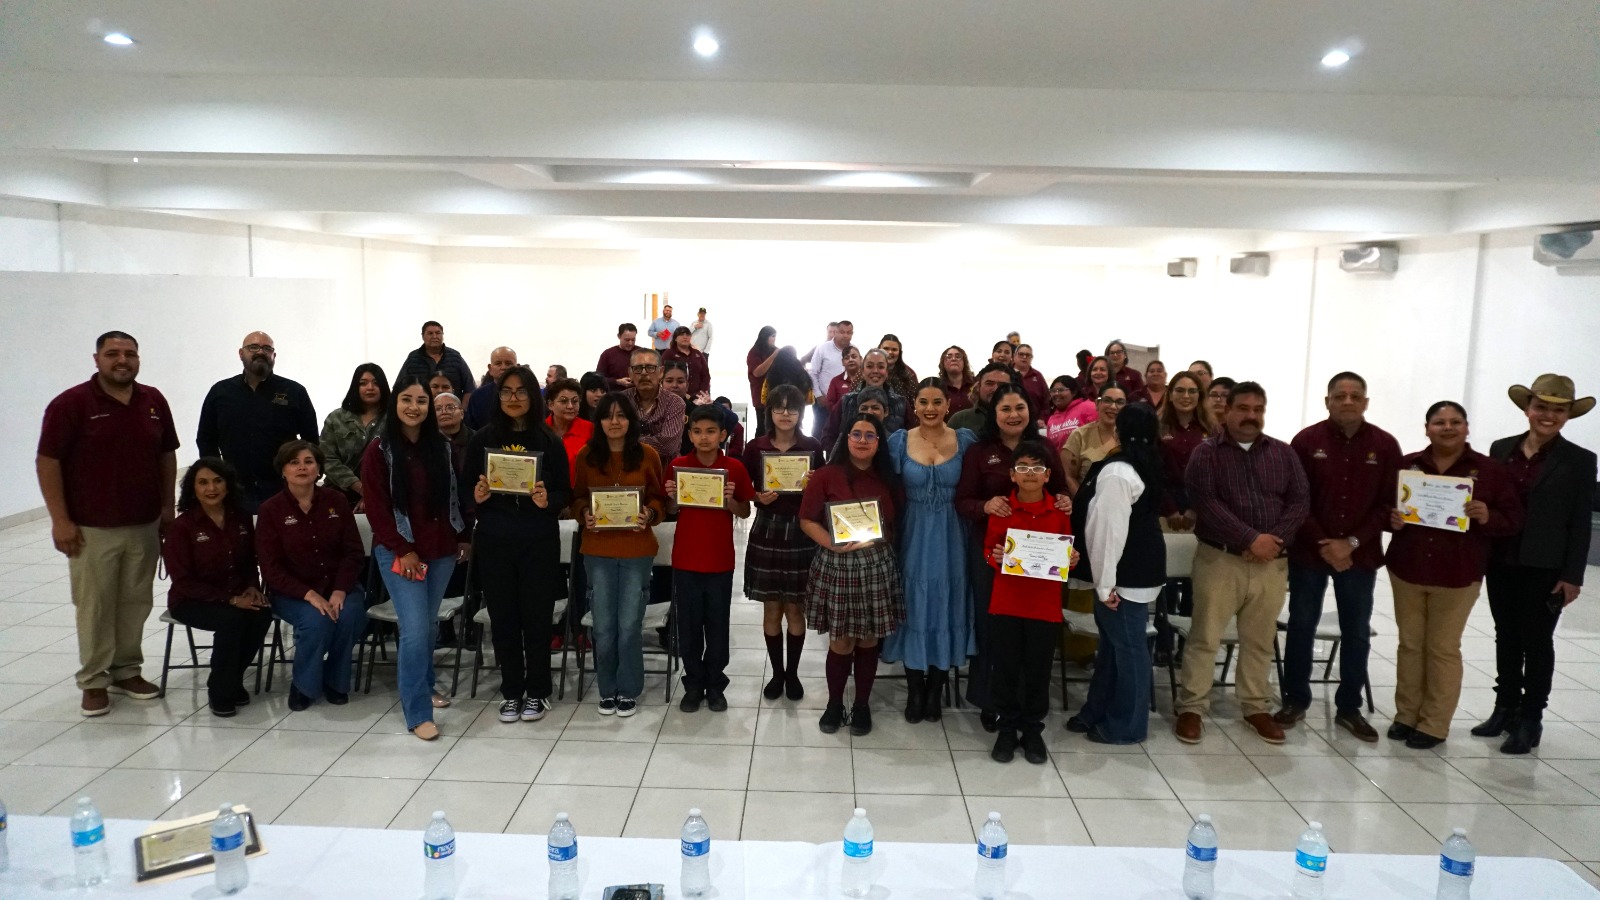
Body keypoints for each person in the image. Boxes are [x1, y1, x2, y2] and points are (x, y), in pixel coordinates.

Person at [37, 330, 178, 716]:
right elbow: (47, 462)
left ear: (138, 359)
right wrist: (60, 520)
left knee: (135, 602)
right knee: (95, 606)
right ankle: (94, 680)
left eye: (129, 354)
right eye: (113, 353)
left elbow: (167, 455)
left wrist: (167, 509)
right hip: (91, 529)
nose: (122, 360)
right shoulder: (71, 404)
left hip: (144, 524)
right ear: (96, 359)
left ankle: (126, 670)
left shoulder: (153, 401)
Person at [1174, 381, 1309, 746]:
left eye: (1258, 409)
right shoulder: (1206, 454)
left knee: (1260, 640)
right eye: (1244, 408)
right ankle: (1192, 707)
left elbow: (1299, 501)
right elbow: (1207, 503)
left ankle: (1255, 706)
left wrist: (1271, 541)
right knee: (1205, 637)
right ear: (1227, 410)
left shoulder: (1283, 453)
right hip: (1220, 560)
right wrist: (1251, 539)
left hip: (1271, 564)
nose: (1251, 416)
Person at [1272, 373, 1402, 742]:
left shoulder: (1385, 445)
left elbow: (1388, 504)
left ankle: (1349, 708)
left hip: (1359, 556)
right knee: (1301, 625)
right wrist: (1325, 544)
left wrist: (1351, 543)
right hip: (1310, 553)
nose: (1347, 401)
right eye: (1339, 396)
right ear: (1327, 401)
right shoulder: (1306, 441)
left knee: (1356, 630)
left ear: (1366, 402)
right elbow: (1297, 499)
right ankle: (1295, 700)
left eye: (1355, 396)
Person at [1386, 401, 1523, 749]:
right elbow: (1384, 507)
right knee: (1410, 645)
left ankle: (1434, 723)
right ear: (1426, 428)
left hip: (1458, 573)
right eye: (1439, 422)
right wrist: (1392, 519)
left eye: (1455, 422)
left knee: (1442, 648)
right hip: (1408, 568)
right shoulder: (1408, 466)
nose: (1447, 428)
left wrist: (1487, 515)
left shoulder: (1489, 471)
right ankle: (1406, 715)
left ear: (1466, 428)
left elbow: (1513, 520)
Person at [1478, 375, 1597, 753]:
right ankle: (1505, 708)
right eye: (1541, 407)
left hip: (1546, 566)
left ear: (1568, 415)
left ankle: (1531, 719)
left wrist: (1572, 575)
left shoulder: (1580, 461)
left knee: (1537, 641)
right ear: (1527, 409)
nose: (1548, 415)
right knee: (1505, 635)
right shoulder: (1501, 449)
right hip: (1501, 559)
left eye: (1558, 410)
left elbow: (1580, 522)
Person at [955, 384, 1070, 729]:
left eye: (1019, 407)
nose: (1013, 415)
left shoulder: (1044, 448)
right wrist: (985, 505)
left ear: (1029, 411)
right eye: (1005, 409)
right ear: (993, 414)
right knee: (993, 627)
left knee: (1032, 632)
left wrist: (1065, 500)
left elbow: (1060, 490)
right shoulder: (979, 451)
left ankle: (1026, 706)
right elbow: (963, 500)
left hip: (1039, 556)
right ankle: (990, 700)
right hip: (991, 550)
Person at [361, 377, 470, 741]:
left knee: (428, 623)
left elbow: (454, 496)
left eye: (421, 401)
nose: (414, 407)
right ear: (395, 404)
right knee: (415, 629)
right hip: (401, 552)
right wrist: (403, 549)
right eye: (406, 399)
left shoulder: (441, 445)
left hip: (440, 550)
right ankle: (418, 712)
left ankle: (425, 684)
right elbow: (377, 509)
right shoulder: (379, 450)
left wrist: (463, 535)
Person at [463, 366, 572, 727]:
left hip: (538, 540)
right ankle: (511, 690)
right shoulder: (482, 439)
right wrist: (478, 496)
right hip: (494, 540)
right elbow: (466, 489)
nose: (513, 398)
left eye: (521, 391)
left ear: (533, 397)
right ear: (497, 396)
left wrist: (548, 500)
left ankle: (538, 690)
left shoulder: (549, 439)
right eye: (506, 391)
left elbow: (564, 492)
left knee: (537, 618)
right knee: (503, 618)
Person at [1067, 404, 1167, 745]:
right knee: (1112, 649)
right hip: (1132, 571)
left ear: (1118, 432)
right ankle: (1098, 710)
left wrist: (1104, 584)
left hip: (1122, 577)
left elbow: (1108, 532)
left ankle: (1128, 726)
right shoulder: (1141, 463)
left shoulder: (1119, 472)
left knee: (1128, 651)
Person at [801, 411, 905, 735]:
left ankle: (861, 705)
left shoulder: (889, 479)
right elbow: (807, 520)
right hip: (837, 564)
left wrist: (875, 539)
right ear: (845, 439)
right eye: (856, 434)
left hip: (876, 564)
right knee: (841, 640)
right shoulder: (825, 476)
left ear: (879, 442)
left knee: (868, 639)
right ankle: (835, 704)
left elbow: (894, 526)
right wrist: (831, 544)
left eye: (870, 435)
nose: (862, 440)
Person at [882, 378, 980, 724]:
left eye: (937, 402)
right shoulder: (899, 441)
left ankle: (936, 689)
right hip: (913, 534)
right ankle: (915, 689)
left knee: (946, 604)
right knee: (914, 604)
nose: (930, 408)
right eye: (923, 401)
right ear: (914, 405)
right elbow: (883, 485)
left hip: (954, 535)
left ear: (948, 405)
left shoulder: (965, 441)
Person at [572, 393, 668, 716]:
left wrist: (649, 514)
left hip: (636, 551)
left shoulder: (648, 455)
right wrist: (584, 513)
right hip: (597, 550)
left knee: (628, 624)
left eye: (621, 415)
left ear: (631, 420)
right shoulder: (586, 456)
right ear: (598, 421)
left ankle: (628, 689)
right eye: (607, 416)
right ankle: (607, 689)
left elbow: (658, 499)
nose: (614, 422)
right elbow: (577, 498)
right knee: (602, 626)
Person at [256, 441, 368, 712]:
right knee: (316, 620)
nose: (302, 467)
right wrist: (309, 595)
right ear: (283, 470)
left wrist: (340, 589)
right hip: (293, 593)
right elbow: (270, 568)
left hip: (339, 586)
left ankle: (335, 681)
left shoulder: (336, 501)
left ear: (318, 469)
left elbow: (353, 552)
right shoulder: (271, 510)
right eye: (294, 462)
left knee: (350, 614)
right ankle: (304, 685)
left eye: (308, 461)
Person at [981, 439, 1074, 763]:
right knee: (1005, 669)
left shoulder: (1059, 512)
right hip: (1006, 603)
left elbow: (1066, 555)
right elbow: (988, 551)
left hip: (1044, 607)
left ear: (1048, 475)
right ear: (1012, 474)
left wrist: (1071, 559)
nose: (1030, 473)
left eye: (1037, 468)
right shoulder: (1003, 510)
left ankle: (1032, 730)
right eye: (1023, 467)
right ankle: (1006, 729)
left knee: (1038, 670)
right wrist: (995, 558)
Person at [162, 458, 272, 717]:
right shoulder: (182, 527)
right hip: (191, 600)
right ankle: (220, 690)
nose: (211, 488)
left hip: (236, 593)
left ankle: (232, 680)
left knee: (262, 614)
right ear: (193, 488)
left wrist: (252, 587)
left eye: (217, 481)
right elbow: (183, 581)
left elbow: (250, 561)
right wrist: (230, 600)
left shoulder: (241, 518)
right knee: (232, 620)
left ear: (228, 484)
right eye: (203, 482)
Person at [665, 406, 756, 712]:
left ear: (723, 435)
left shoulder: (734, 467)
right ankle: (693, 684)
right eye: (697, 432)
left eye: (711, 432)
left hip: (719, 560)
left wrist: (730, 500)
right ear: (689, 435)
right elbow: (672, 510)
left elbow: (745, 510)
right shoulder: (678, 466)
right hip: (686, 559)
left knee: (717, 626)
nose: (704, 438)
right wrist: (673, 497)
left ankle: (715, 685)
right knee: (689, 627)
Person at [742, 385, 826, 701]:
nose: (786, 414)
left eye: (792, 408)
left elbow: (823, 492)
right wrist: (756, 496)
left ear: (801, 413)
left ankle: (793, 674)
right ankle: (777, 673)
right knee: (772, 608)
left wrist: (813, 486)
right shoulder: (756, 447)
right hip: (767, 529)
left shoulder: (812, 447)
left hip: (801, 532)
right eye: (779, 408)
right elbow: (743, 488)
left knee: (795, 608)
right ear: (770, 412)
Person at [196, 331, 319, 511]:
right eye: (253, 347)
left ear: (274, 355)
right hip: (234, 490)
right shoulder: (220, 392)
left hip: (284, 489)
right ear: (241, 353)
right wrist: (216, 476)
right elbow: (206, 439)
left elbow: (311, 441)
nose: (260, 352)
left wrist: (303, 477)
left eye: (267, 348)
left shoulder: (294, 392)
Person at [321, 363, 389, 506]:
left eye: (376, 383)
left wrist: (371, 493)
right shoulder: (336, 418)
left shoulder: (394, 419)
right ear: (355, 387)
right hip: (337, 492)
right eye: (363, 383)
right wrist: (359, 487)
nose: (370, 388)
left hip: (384, 493)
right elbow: (326, 458)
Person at [1156, 371, 1214, 531]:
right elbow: (1153, 472)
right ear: (1170, 395)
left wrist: (1195, 507)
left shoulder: (1213, 430)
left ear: (1200, 396)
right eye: (1180, 390)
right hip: (1163, 509)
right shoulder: (1156, 428)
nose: (1186, 396)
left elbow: (1217, 474)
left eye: (1192, 391)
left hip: (1203, 509)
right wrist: (1169, 508)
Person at [825, 349, 906, 447]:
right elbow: (827, 437)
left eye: (881, 367)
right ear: (862, 371)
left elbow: (912, 439)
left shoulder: (901, 403)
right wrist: (848, 452)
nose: (875, 371)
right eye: (870, 366)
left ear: (887, 371)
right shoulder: (846, 401)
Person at [622, 348, 687, 463]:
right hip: (627, 466)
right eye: (638, 368)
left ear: (661, 372)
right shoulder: (621, 400)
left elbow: (667, 446)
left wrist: (627, 441)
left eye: (650, 368)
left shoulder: (675, 402)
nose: (644, 373)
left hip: (663, 469)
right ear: (630, 373)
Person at [1062, 385, 1127, 496]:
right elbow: (1069, 476)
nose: (1113, 407)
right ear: (1097, 404)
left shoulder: (1131, 436)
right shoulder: (1080, 435)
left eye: (1120, 402)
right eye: (1107, 400)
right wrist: (1083, 501)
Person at [395, 321, 475, 398]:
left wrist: (462, 407)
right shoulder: (413, 359)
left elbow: (469, 388)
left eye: (438, 333)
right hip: (422, 406)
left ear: (442, 335)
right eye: (430, 333)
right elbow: (399, 387)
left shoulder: (455, 357)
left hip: (451, 406)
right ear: (422, 336)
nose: (434, 336)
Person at [806, 320, 853, 438]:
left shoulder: (854, 351)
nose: (845, 335)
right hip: (824, 403)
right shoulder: (822, 348)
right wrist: (818, 396)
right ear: (836, 332)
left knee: (842, 438)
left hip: (847, 405)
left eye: (849, 332)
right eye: (842, 332)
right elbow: (813, 373)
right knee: (820, 436)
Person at [948, 362, 1017, 434]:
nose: (995, 389)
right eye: (989, 383)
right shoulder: (960, 420)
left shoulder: (1019, 419)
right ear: (978, 387)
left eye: (1002, 385)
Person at [546, 378, 594, 479]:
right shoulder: (540, 430)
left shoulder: (589, 429)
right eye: (564, 401)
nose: (570, 406)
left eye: (575, 401)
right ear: (550, 404)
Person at [466, 346, 519, 430]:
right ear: (490, 369)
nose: (503, 367)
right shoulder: (478, 396)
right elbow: (471, 428)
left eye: (508, 363)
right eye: (498, 363)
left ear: (517, 367)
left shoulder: (528, 393)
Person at [1044, 375, 1097, 452]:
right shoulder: (1052, 419)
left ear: (1074, 392)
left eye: (1061, 390)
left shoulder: (1089, 407)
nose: (1056, 394)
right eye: (1053, 391)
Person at [746, 326, 779, 436]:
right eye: (772, 336)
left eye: (775, 336)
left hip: (775, 394)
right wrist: (773, 356)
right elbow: (757, 372)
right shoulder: (754, 352)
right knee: (762, 426)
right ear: (765, 337)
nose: (774, 339)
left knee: (774, 428)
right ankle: (759, 446)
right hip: (761, 396)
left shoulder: (774, 350)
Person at [663, 326, 712, 398]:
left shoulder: (697, 353)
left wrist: (702, 393)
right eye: (681, 334)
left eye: (687, 335)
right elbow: (662, 375)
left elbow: (706, 375)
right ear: (675, 338)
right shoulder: (669, 353)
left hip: (698, 396)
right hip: (676, 395)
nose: (685, 337)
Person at [597, 323, 639, 390]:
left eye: (633, 339)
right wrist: (617, 381)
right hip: (615, 394)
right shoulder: (607, 355)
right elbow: (598, 379)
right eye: (627, 340)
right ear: (619, 336)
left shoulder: (641, 353)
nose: (630, 343)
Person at [937, 346, 976, 418]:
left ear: (964, 362)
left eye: (958, 356)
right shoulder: (938, 387)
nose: (953, 359)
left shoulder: (976, 384)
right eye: (949, 357)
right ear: (943, 363)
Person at [878, 334, 919, 402]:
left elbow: (915, 402)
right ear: (879, 349)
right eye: (886, 348)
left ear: (899, 352)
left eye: (894, 349)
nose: (890, 352)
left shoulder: (909, 374)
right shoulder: (867, 371)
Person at [1013, 344, 1048, 419]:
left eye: (1028, 355)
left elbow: (1046, 401)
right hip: (1011, 418)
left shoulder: (1038, 376)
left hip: (1034, 421)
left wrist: (1042, 419)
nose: (1024, 357)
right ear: (1014, 356)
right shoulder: (1007, 373)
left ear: (1031, 358)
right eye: (1021, 354)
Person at [825, 346, 863, 413]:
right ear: (842, 362)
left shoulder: (868, 378)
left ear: (861, 359)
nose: (850, 360)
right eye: (847, 358)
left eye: (854, 357)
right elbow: (830, 405)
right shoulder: (835, 381)